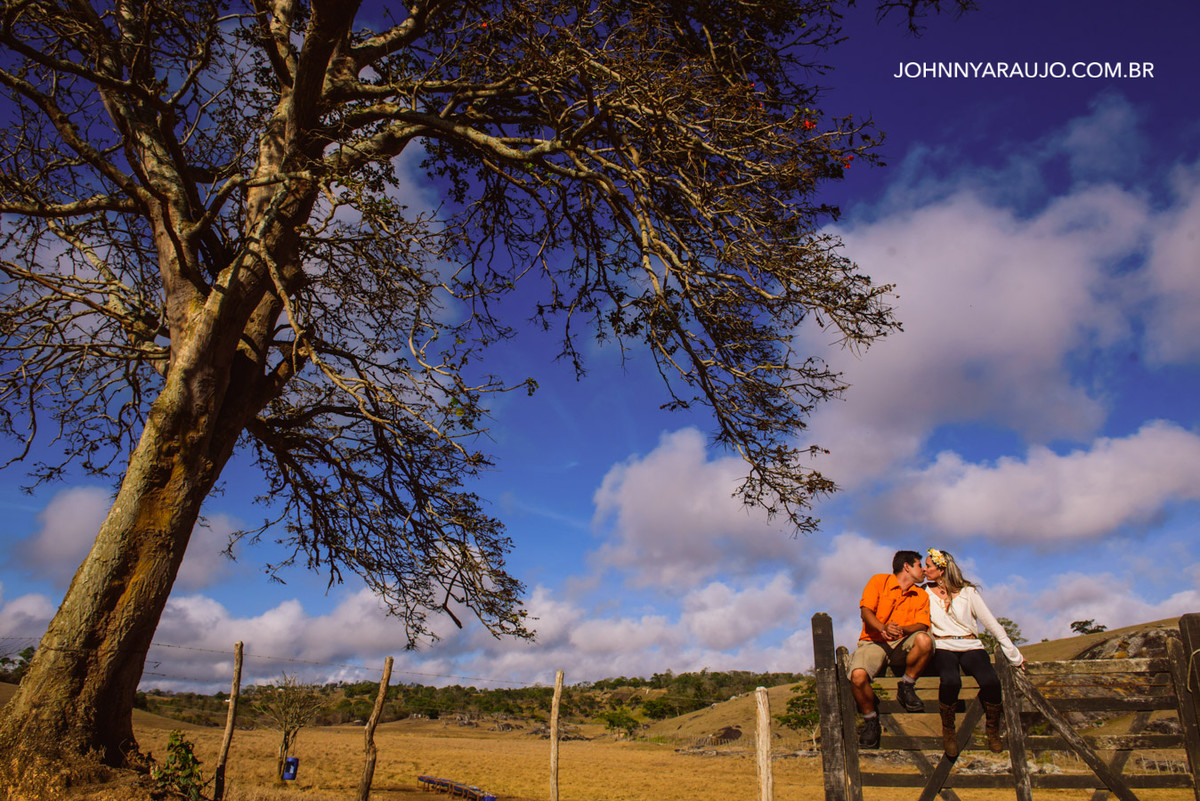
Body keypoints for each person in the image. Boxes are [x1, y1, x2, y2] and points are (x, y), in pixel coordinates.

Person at [924, 547, 1024, 757]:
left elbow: (991, 623)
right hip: (943, 646)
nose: (925, 570)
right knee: (951, 681)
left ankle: (992, 728)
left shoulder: (968, 593)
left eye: (928, 566)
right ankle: (949, 730)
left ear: (941, 569)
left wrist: (1013, 654)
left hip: (970, 645)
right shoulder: (925, 593)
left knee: (991, 681)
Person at [848, 550, 934, 749]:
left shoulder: (921, 594)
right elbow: (865, 611)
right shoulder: (879, 581)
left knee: (924, 640)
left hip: (902, 643)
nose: (923, 571)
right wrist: (882, 628)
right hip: (874, 642)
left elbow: (922, 624)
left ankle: (906, 686)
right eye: (920, 566)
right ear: (907, 567)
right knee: (858, 676)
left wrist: (902, 629)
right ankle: (871, 720)